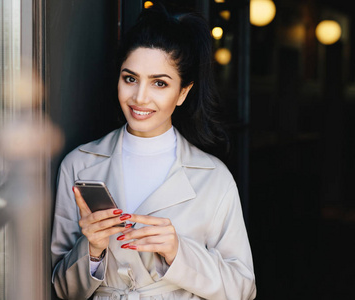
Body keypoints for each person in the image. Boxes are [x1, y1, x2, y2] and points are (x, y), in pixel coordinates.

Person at [51, 4, 256, 300]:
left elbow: (243, 289)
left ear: (183, 92)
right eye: (130, 78)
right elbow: (60, 289)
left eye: (159, 83)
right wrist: (92, 250)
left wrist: (178, 251)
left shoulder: (214, 178)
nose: (140, 97)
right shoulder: (79, 164)